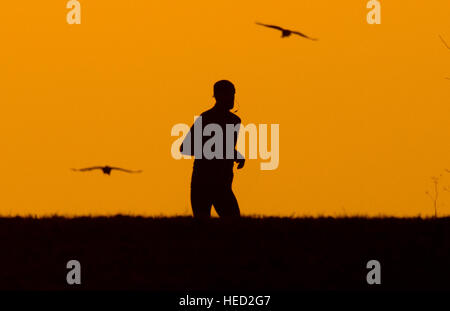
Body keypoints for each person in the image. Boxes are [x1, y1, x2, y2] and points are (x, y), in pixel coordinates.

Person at [180, 80, 245, 218]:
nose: (232, 98)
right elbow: (185, 147)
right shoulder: (206, 118)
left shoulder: (235, 121)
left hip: (223, 185)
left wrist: (233, 154)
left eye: (233, 94)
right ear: (217, 96)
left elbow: (226, 149)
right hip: (202, 184)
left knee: (236, 227)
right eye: (227, 94)